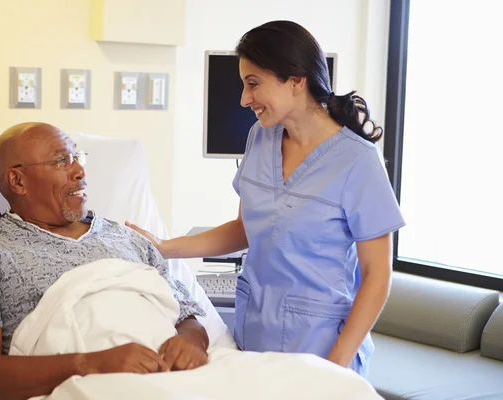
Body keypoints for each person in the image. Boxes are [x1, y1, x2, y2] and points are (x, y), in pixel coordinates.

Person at [126, 20, 405, 377]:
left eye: (253, 84)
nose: (244, 99)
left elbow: (377, 276)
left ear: (296, 80)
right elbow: (245, 228)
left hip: (321, 348)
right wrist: (165, 247)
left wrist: (335, 370)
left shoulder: (357, 160)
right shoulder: (260, 138)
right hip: (254, 338)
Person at [0, 122, 209, 400]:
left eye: (78, 158)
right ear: (18, 181)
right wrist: (91, 365)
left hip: (176, 378)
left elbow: (185, 316)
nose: (80, 171)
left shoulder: (127, 238)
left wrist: (191, 342)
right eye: (62, 161)